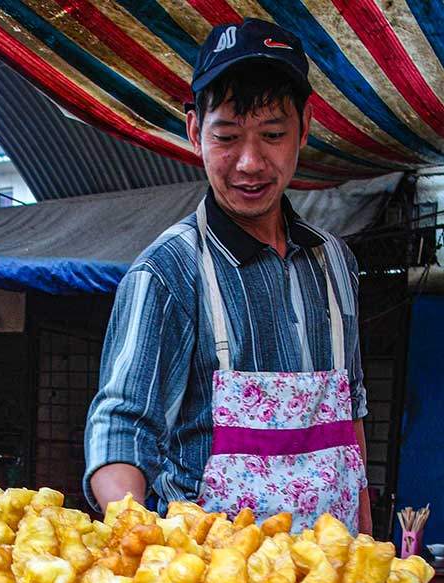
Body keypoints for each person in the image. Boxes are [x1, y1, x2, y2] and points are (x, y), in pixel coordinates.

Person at [84, 17, 371, 537]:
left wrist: (371, 545)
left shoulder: (335, 263)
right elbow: (120, 432)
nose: (249, 162)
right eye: (227, 137)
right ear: (195, 132)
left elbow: (350, 420)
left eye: (273, 135)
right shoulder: (168, 272)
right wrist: (136, 539)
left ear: (304, 128)